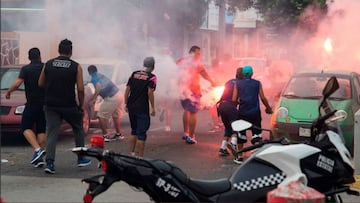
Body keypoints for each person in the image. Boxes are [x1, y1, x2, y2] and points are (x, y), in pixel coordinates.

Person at [38, 39, 91, 174]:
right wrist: (81, 105)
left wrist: (51, 89)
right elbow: (80, 89)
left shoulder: (48, 64)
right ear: (71, 51)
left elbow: (40, 83)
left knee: (52, 132)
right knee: (78, 128)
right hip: (68, 104)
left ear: (58, 50)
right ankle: (81, 158)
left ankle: (49, 163)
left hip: (50, 104)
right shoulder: (76, 66)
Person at [5, 47, 46, 168]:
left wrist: (9, 92)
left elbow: (18, 83)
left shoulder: (26, 69)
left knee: (25, 127)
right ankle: (39, 158)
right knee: (41, 129)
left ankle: (38, 149)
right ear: (40, 56)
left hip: (32, 103)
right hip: (45, 104)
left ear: (29, 58)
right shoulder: (45, 68)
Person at [229, 65, 273, 164]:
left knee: (241, 135)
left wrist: (236, 106)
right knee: (256, 134)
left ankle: (239, 157)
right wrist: (268, 108)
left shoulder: (238, 84)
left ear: (243, 74)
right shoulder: (257, 83)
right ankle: (257, 157)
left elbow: (234, 99)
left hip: (242, 112)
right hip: (255, 113)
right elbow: (263, 97)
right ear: (252, 74)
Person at [176, 45, 217, 144]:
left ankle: (186, 133)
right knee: (193, 112)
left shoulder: (181, 60)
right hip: (193, 90)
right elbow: (204, 74)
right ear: (192, 52)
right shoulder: (196, 63)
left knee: (186, 110)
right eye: (198, 53)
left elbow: (175, 72)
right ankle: (191, 136)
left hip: (183, 89)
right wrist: (212, 82)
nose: (199, 55)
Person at [124, 56, 156, 158]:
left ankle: (132, 153)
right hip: (142, 108)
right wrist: (153, 107)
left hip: (131, 106)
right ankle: (140, 158)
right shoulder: (152, 77)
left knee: (134, 130)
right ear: (153, 66)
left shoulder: (134, 74)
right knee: (141, 134)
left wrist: (126, 103)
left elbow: (127, 90)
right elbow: (150, 92)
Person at [87, 65, 124, 142]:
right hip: (118, 94)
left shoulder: (94, 77)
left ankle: (105, 136)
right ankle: (118, 135)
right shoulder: (100, 75)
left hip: (112, 97)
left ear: (89, 72)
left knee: (101, 116)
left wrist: (93, 99)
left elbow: (98, 87)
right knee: (115, 116)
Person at [217, 67, 244, 156]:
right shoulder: (241, 84)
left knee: (228, 128)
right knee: (236, 128)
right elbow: (238, 98)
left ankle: (222, 148)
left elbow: (223, 94)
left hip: (222, 106)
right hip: (230, 107)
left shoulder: (229, 81)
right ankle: (233, 144)